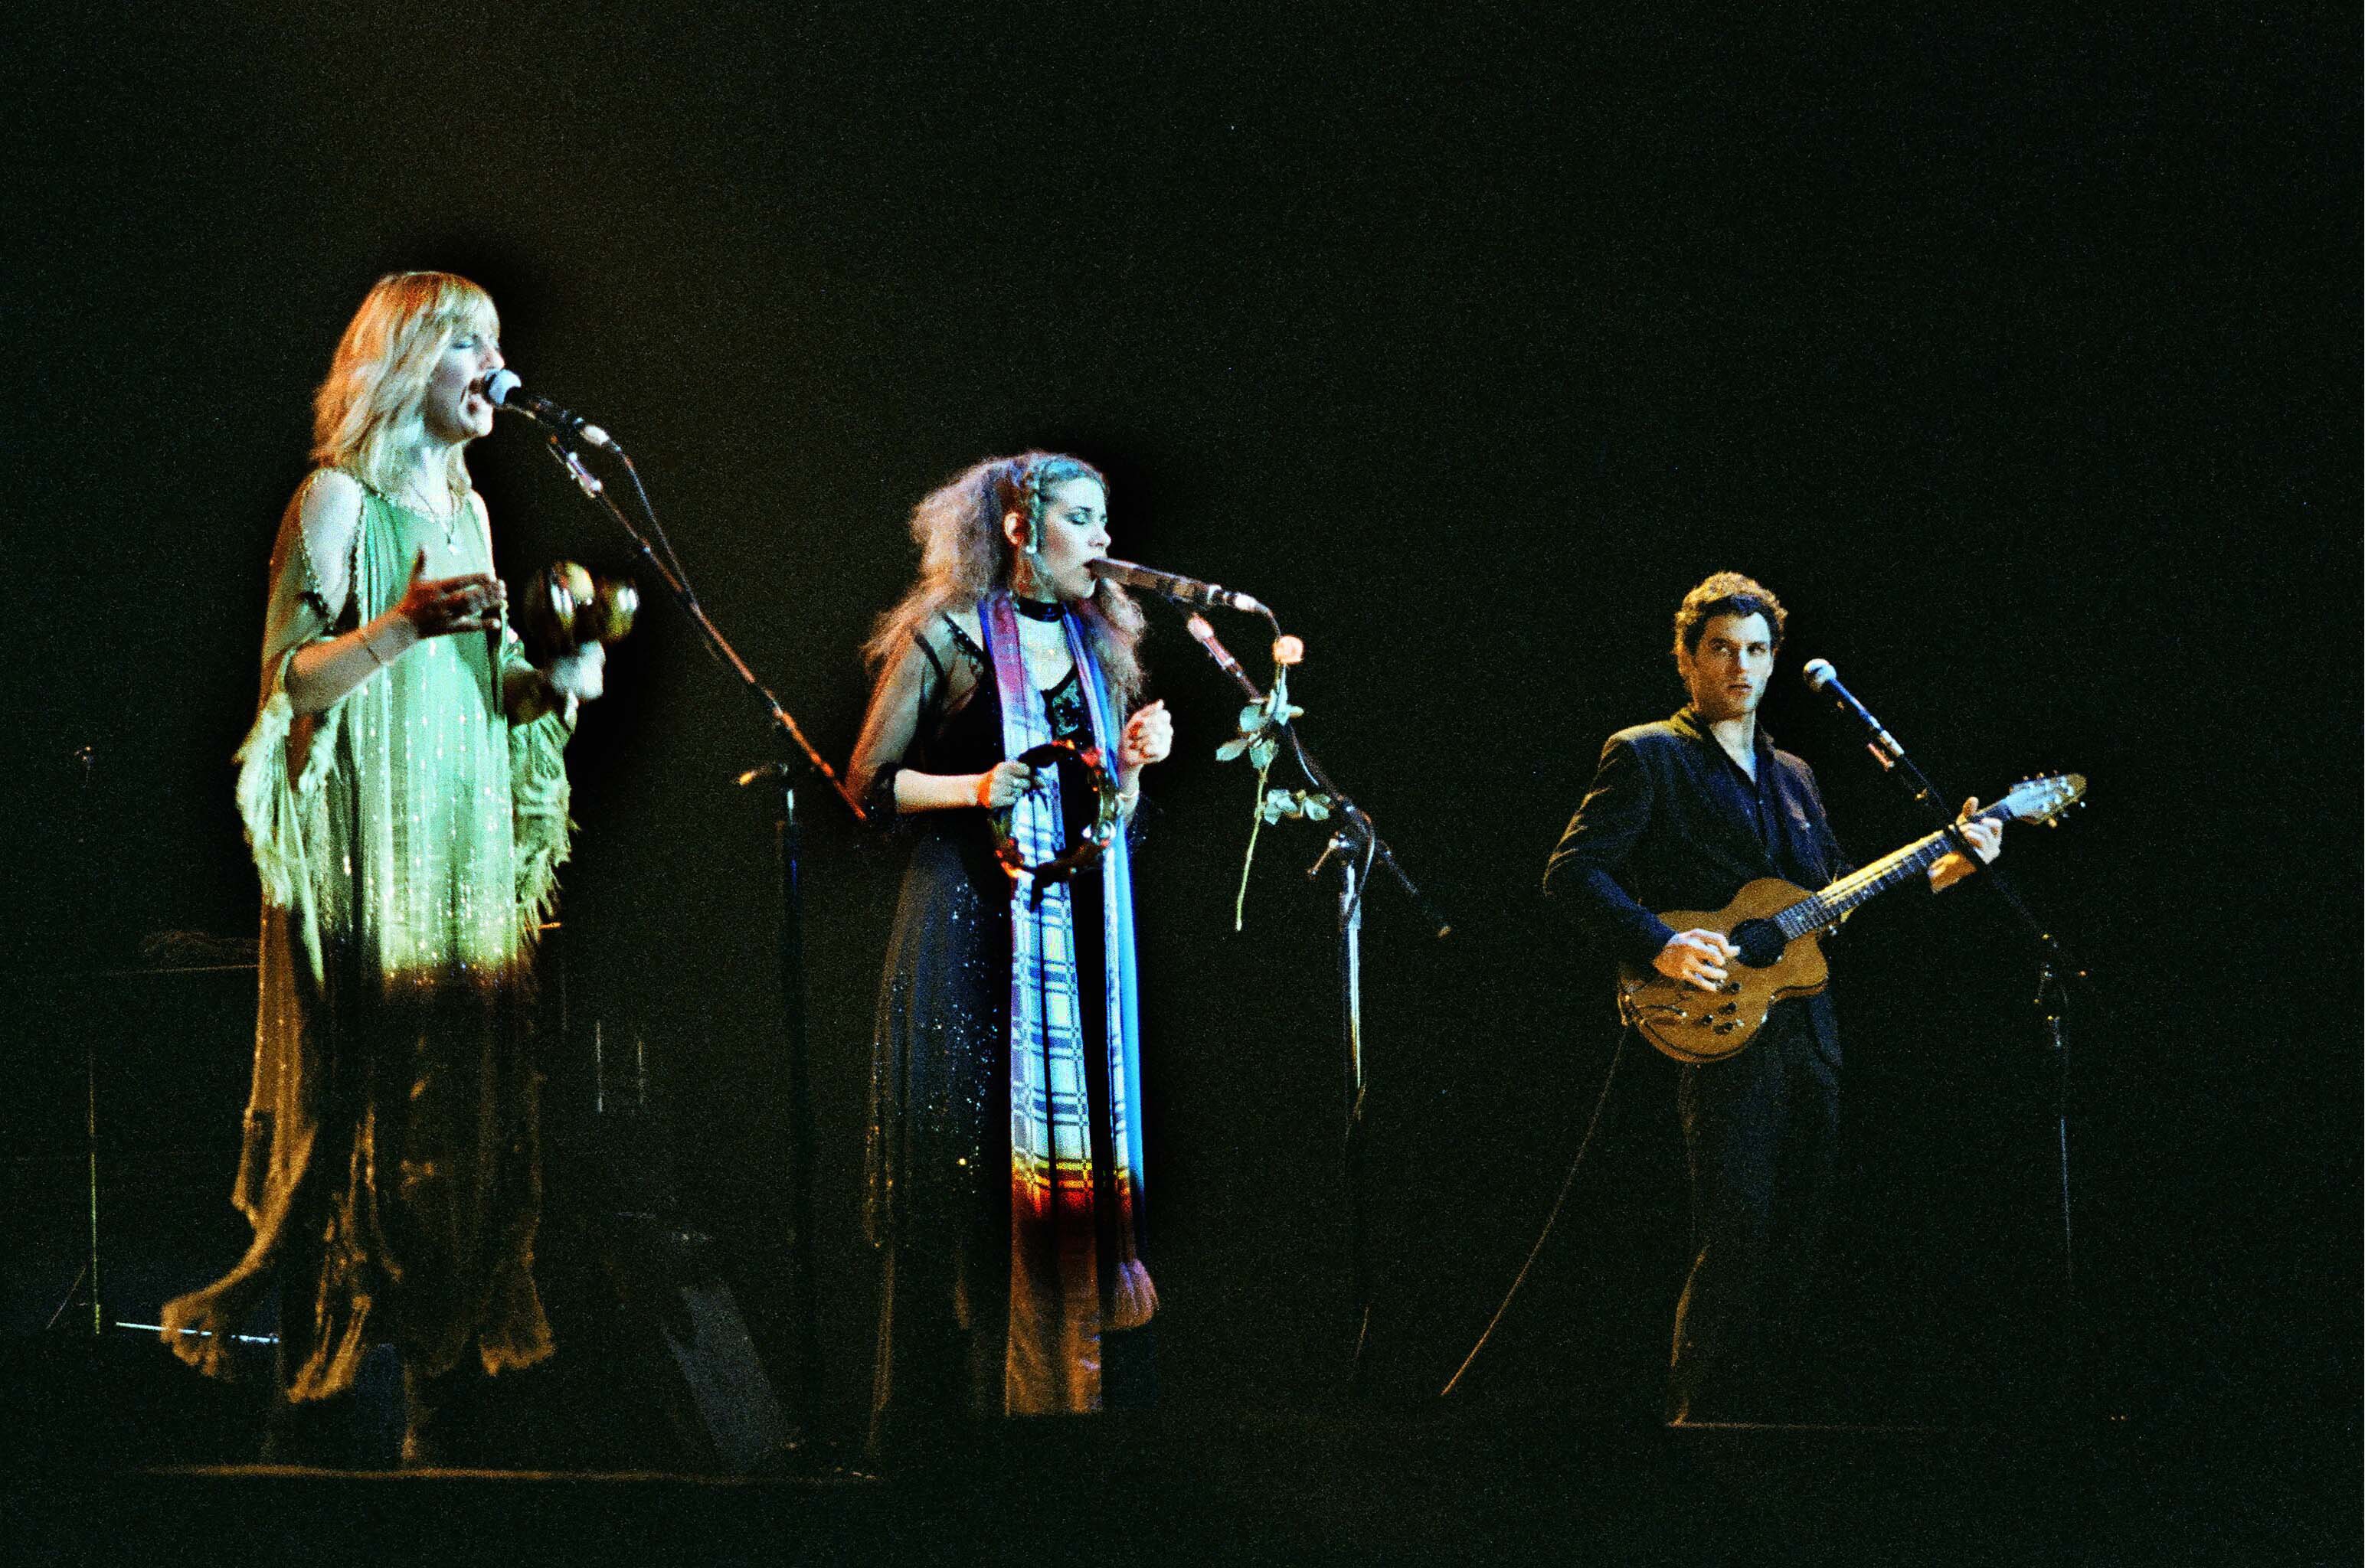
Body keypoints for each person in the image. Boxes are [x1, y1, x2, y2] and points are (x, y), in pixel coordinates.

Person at [161, 272, 607, 1465]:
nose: (494, 370)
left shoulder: (473, 513)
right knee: (357, 1117)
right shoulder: (336, 502)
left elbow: (488, 696)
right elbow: (288, 685)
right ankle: (313, 1412)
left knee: (455, 1127)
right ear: (406, 361)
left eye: (499, 344)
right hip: (368, 856)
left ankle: (439, 1409)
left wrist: (554, 686)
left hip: (454, 856)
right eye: (470, 343)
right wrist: (400, 624)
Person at [1542, 572, 2000, 1425]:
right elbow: (1571, 872)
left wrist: (1943, 870)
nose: (1738, 666)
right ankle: (1700, 1424)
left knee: (1800, 1232)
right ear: (1685, 659)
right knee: (1737, 1228)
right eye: (1719, 648)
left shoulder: (1793, 772)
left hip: (1807, 1026)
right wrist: (1660, 940)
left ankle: (1770, 1426)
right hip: (1716, 1024)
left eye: (1755, 650)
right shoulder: (1648, 753)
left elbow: (1829, 896)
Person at [846, 452, 1174, 1459]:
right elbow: (866, 784)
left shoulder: (1098, 645)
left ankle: (1055, 1435)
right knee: (965, 1175)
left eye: (1106, 518)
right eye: (1082, 518)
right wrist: (977, 788)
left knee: (1057, 1177)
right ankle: (936, 1437)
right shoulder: (944, 636)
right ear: (1022, 529)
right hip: (966, 929)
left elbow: (1106, 823)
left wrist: (1128, 766)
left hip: (1070, 934)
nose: (1104, 541)